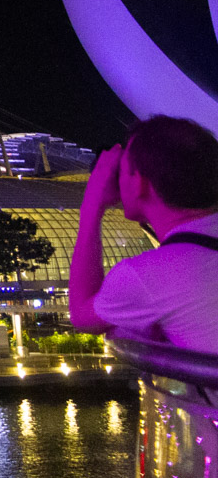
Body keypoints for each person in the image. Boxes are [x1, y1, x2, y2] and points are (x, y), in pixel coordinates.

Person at [68, 115, 218, 356]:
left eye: (123, 171)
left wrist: (91, 206)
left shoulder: (147, 274)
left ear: (140, 184)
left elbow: (81, 315)